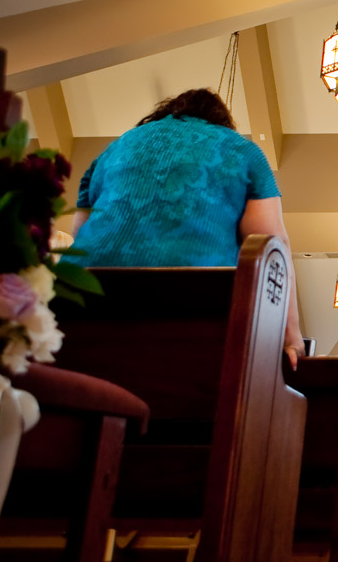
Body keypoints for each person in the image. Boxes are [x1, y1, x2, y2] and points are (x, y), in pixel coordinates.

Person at [69, 88, 303, 367]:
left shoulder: (112, 150)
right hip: (194, 308)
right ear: (219, 121)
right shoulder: (243, 150)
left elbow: (80, 233)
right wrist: (291, 337)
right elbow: (272, 249)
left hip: (86, 302)